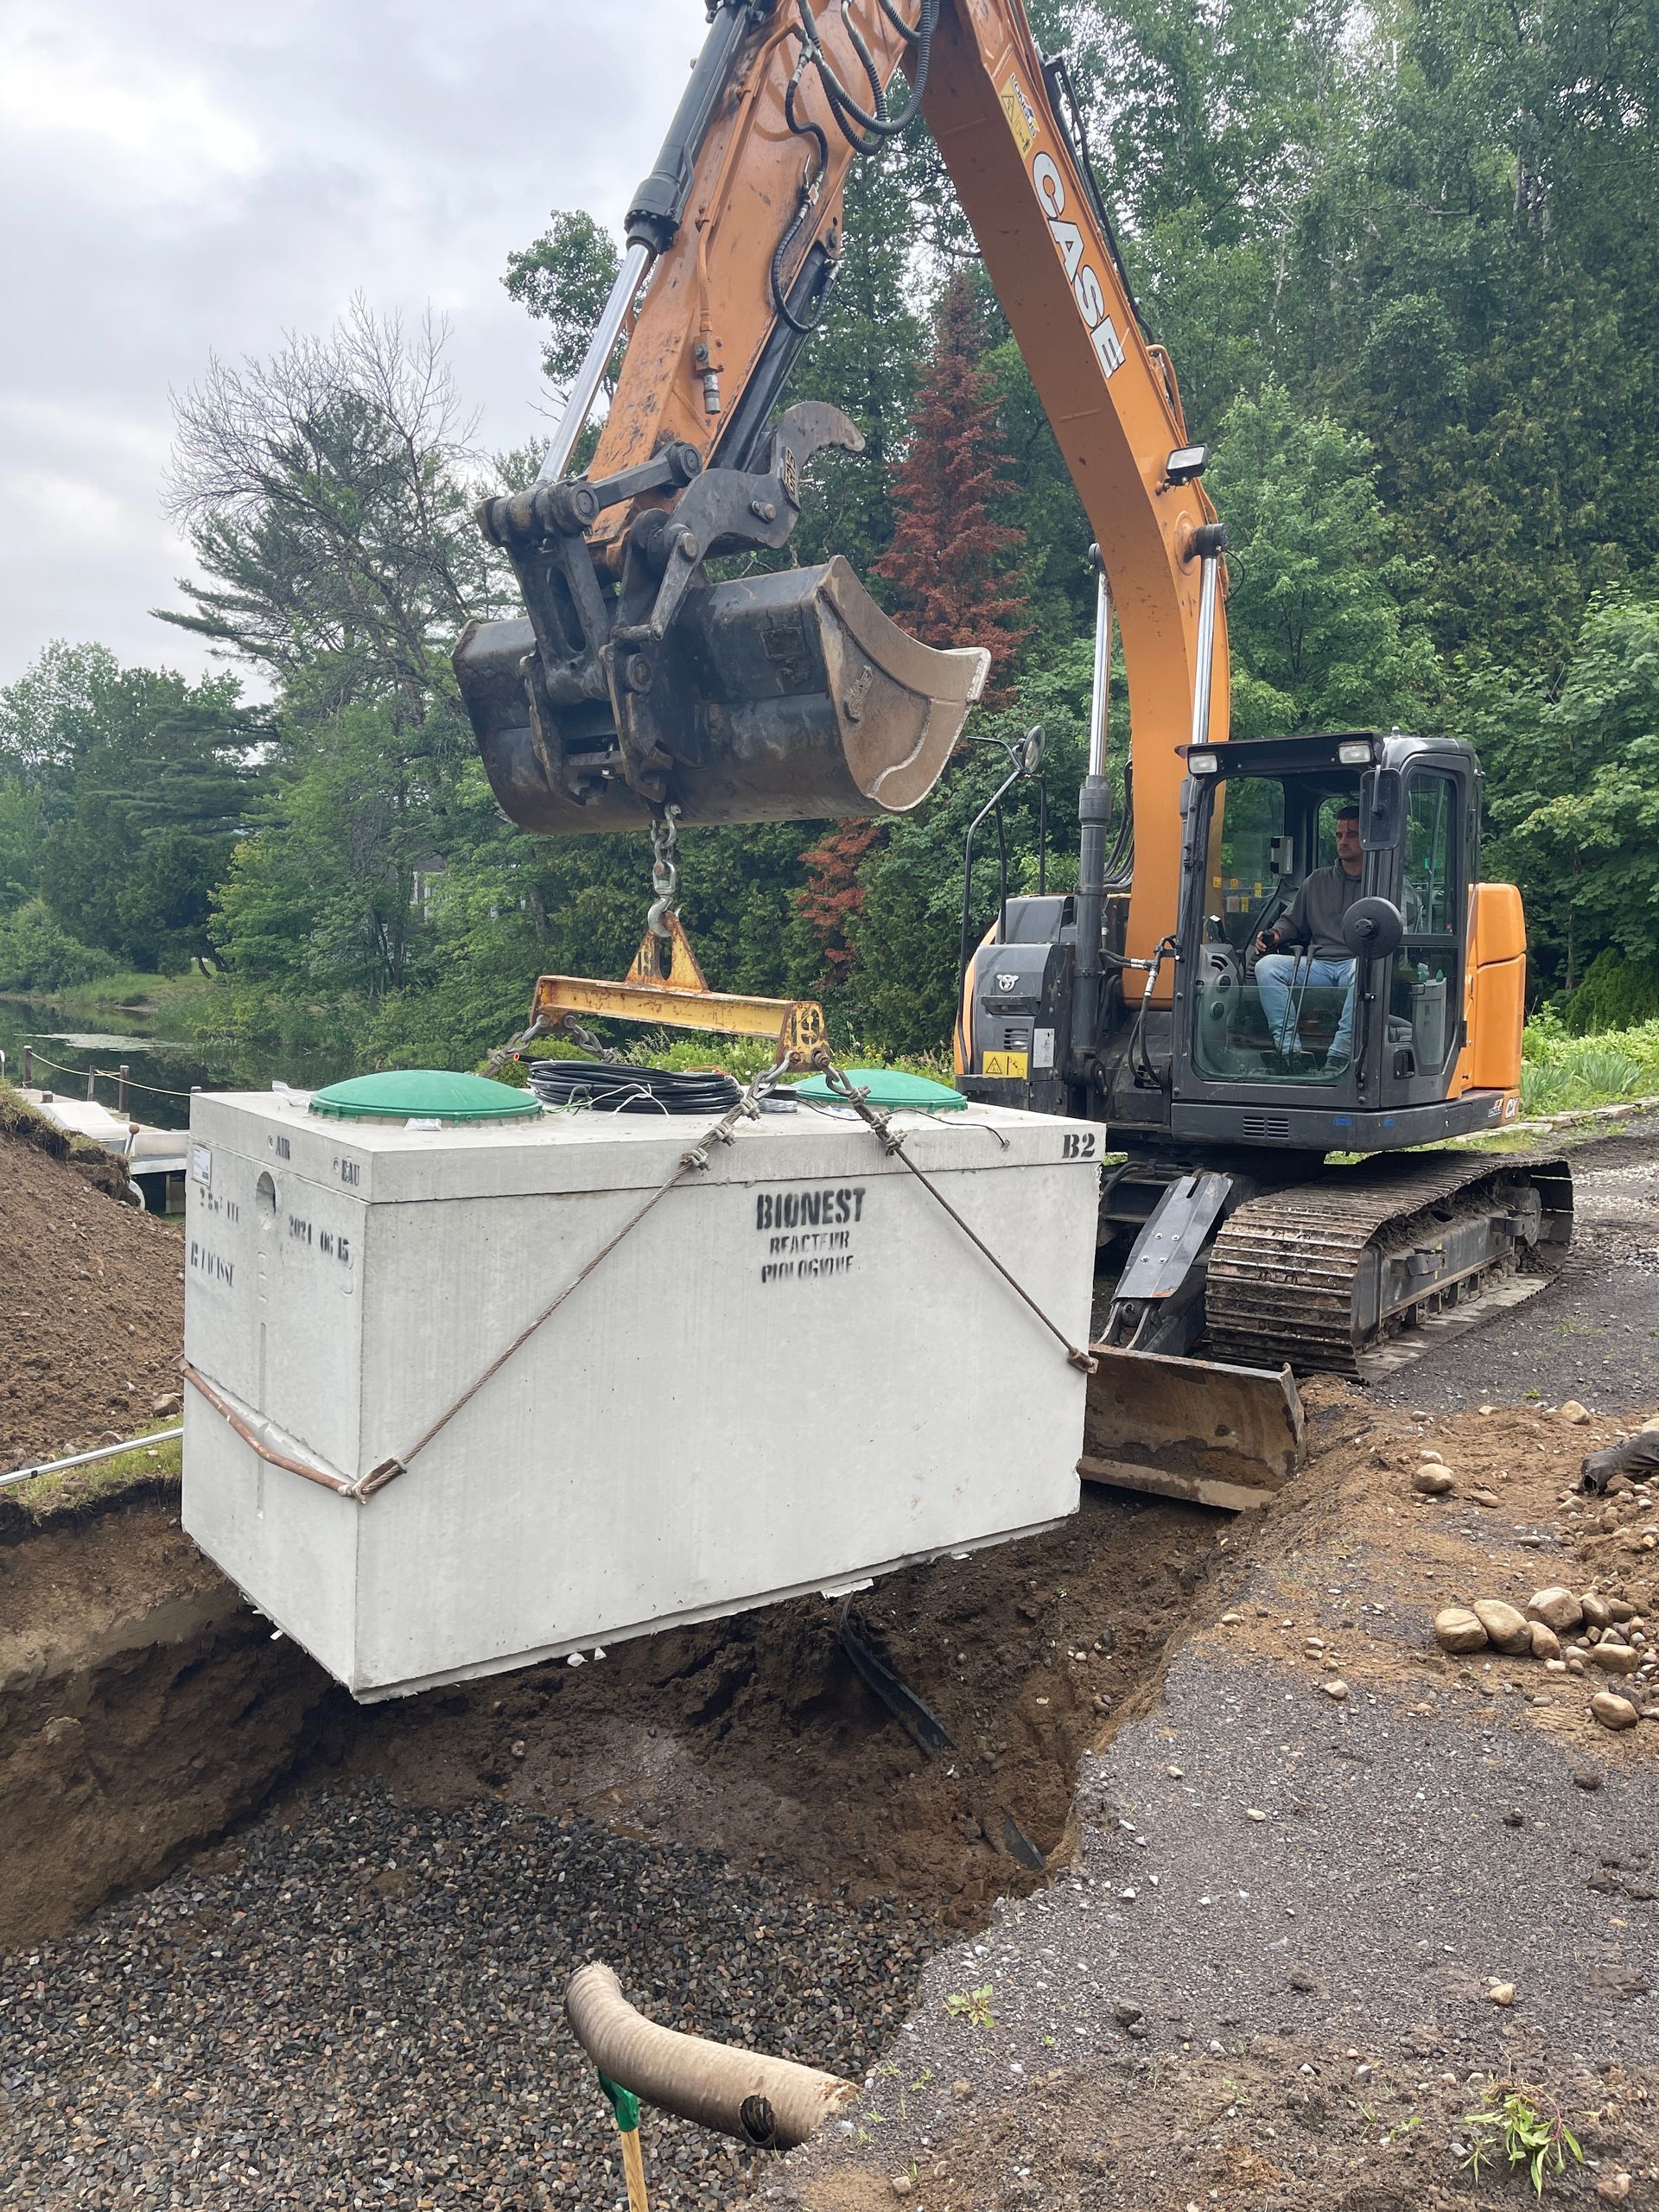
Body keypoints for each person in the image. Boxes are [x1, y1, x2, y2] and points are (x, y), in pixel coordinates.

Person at [1253, 802, 1363, 1066]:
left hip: (1358, 963)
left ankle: (1340, 1053)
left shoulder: (1384, 880)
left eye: (1352, 835)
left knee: (1364, 969)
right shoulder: (1317, 881)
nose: (1343, 842)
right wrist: (1275, 935)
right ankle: (1290, 1050)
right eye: (1339, 835)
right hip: (1320, 965)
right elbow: (1292, 922)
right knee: (1267, 967)